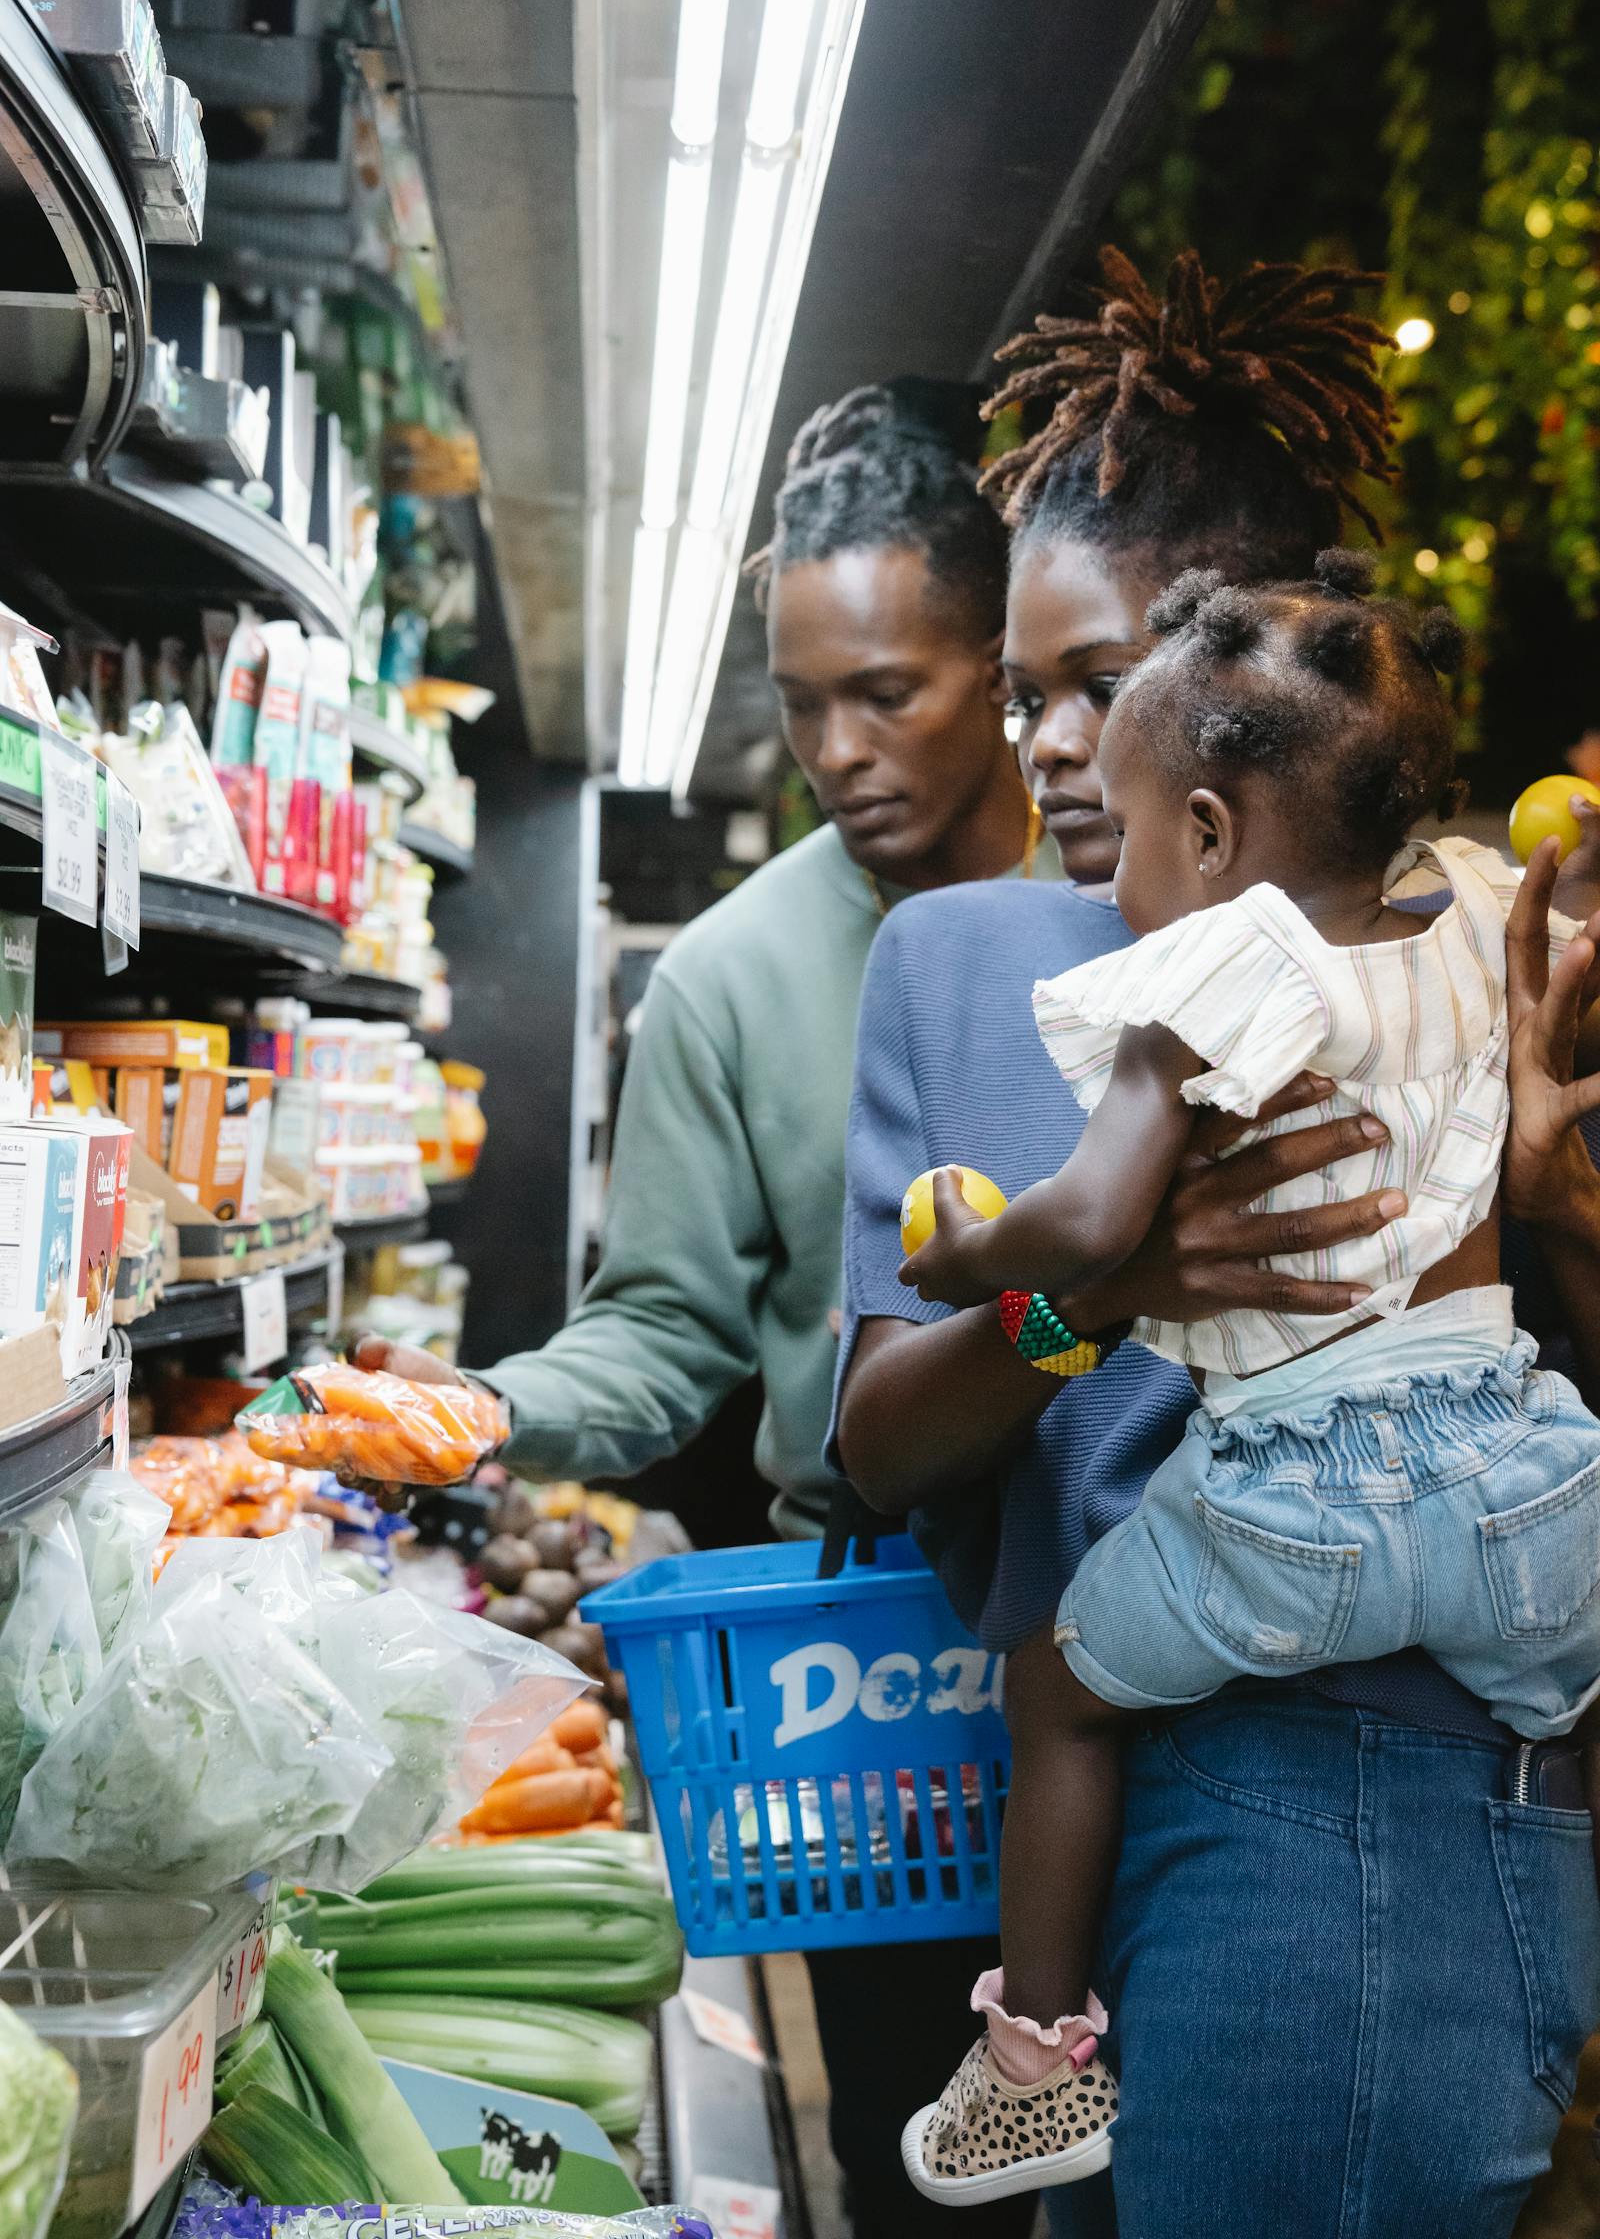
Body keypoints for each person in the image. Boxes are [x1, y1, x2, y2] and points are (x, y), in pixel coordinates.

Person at [361, 371, 1412, 2239]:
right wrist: (472, 1404)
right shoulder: (744, 979)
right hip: (879, 1658)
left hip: (1238, 1686)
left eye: (902, 691)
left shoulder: (1188, 894)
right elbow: (674, 1325)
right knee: (921, 2181)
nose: (846, 750)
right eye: (801, 705)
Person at [833, 247, 1600, 2238]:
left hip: (1374, 1806)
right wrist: (1104, 1291)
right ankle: (1033, 2065)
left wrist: (1545, 1192)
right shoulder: (951, 961)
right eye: (1018, 695)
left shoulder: (1464, 927)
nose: (1052, 751)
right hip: (1099, 1810)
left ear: (1237, 679)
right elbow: (877, 1444)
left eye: (1097, 688)